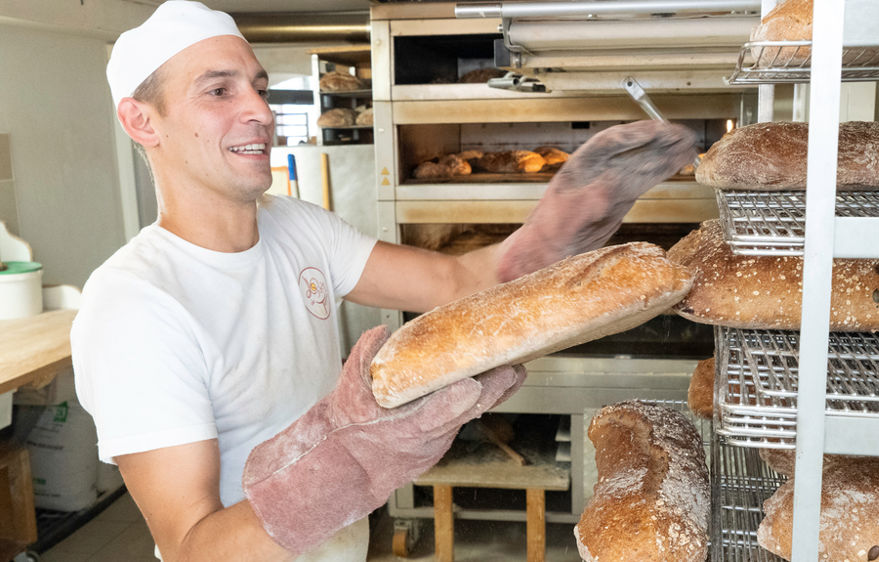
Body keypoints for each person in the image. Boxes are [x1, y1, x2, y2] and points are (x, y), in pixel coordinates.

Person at [70, 2, 697, 560]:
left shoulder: (297, 227)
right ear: (141, 121)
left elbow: (454, 281)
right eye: (218, 91)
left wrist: (558, 225)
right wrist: (356, 457)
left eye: (258, 88)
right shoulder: (133, 306)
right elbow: (192, 547)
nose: (260, 110)